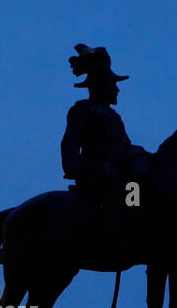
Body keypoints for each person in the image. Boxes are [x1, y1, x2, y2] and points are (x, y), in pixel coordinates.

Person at [60, 44, 150, 224]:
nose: (117, 90)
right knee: (112, 179)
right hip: (96, 168)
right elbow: (70, 141)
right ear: (101, 84)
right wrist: (72, 168)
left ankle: (134, 219)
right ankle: (113, 230)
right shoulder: (83, 109)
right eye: (112, 84)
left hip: (119, 166)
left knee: (138, 183)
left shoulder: (114, 116)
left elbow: (124, 144)